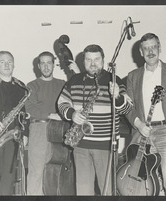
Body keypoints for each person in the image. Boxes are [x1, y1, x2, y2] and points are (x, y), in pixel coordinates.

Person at [57, 44, 133, 195]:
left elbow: (128, 109)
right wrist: (72, 114)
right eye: (88, 60)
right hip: (80, 144)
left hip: (105, 145)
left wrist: (117, 96)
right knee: (83, 190)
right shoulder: (74, 80)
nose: (92, 64)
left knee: (107, 190)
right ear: (83, 61)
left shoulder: (114, 79)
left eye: (96, 59)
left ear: (103, 60)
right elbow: (61, 103)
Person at [125, 33, 166, 196]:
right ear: (140, 52)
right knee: (147, 185)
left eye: (153, 47)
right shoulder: (132, 76)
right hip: (143, 134)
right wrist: (138, 124)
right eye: (146, 48)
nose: (150, 51)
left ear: (160, 48)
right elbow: (128, 108)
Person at [25, 51, 80, 195]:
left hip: (59, 130)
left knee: (55, 170)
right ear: (38, 66)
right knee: (36, 170)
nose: (46, 66)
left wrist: (76, 73)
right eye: (42, 63)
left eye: (48, 63)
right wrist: (53, 115)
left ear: (53, 64)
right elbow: (30, 108)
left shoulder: (62, 84)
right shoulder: (32, 85)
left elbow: (76, 95)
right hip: (39, 128)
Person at [0, 51, 29, 195]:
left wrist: (25, 133)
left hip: (12, 138)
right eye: (2, 62)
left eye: (10, 61)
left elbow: (24, 113)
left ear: (14, 65)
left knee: (8, 179)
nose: (6, 64)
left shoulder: (20, 87)